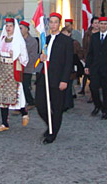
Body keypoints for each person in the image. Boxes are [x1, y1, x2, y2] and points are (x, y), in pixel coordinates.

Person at [36, 13, 73, 144]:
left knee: (57, 107)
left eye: (55, 22)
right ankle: (51, 123)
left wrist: (64, 80)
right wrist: (41, 58)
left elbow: (69, 62)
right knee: (40, 105)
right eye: (51, 22)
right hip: (45, 76)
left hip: (58, 78)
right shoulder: (45, 39)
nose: (53, 24)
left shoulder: (66, 41)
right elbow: (41, 57)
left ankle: (52, 132)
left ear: (59, 24)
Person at [0, 18, 29, 132]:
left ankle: (24, 112)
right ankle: (4, 123)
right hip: (2, 69)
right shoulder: (3, 39)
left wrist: (16, 56)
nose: (8, 28)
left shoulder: (18, 40)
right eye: (7, 26)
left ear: (14, 27)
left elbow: (24, 57)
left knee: (16, 94)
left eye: (10, 26)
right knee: (2, 95)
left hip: (13, 69)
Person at [85, 17, 107, 120]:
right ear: (98, 25)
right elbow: (90, 53)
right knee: (93, 87)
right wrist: (87, 65)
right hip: (95, 68)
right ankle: (98, 105)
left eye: (105, 24)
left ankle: (105, 110)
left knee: (106, 91)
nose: (103, 25)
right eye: (101, 24)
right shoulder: (94, 36)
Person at [61, 26, 84, 111]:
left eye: (65, 33)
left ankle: (67, 104)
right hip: (66, 66)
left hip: (72, 66)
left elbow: (78, 53)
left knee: (68, 86)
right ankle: (69, 103)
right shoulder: (62, 42)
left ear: (69, 34)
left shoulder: (73, 43)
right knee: (68, 86)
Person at [80, 17, 100, 101]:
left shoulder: (102, 34)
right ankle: (92, 94)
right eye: (95, 23)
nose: (97, 24)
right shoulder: (88, 34)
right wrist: (85, 57)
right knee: (90, 76)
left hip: (99, 58)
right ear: (92, 24)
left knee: (97, 77)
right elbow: (84, 46)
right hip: (89, 57)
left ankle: (95, 94)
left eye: (98, 23)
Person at [19, 20, 38, 109]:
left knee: (25, 85)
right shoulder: (18, 40)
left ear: (26, 29)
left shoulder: (32, 41)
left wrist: (24, 62)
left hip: (27, 67)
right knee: (20, 86)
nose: (19, 30)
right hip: (18, 67)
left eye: (21, 28)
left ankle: (30, 101)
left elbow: (33, 56)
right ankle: (21, 103)